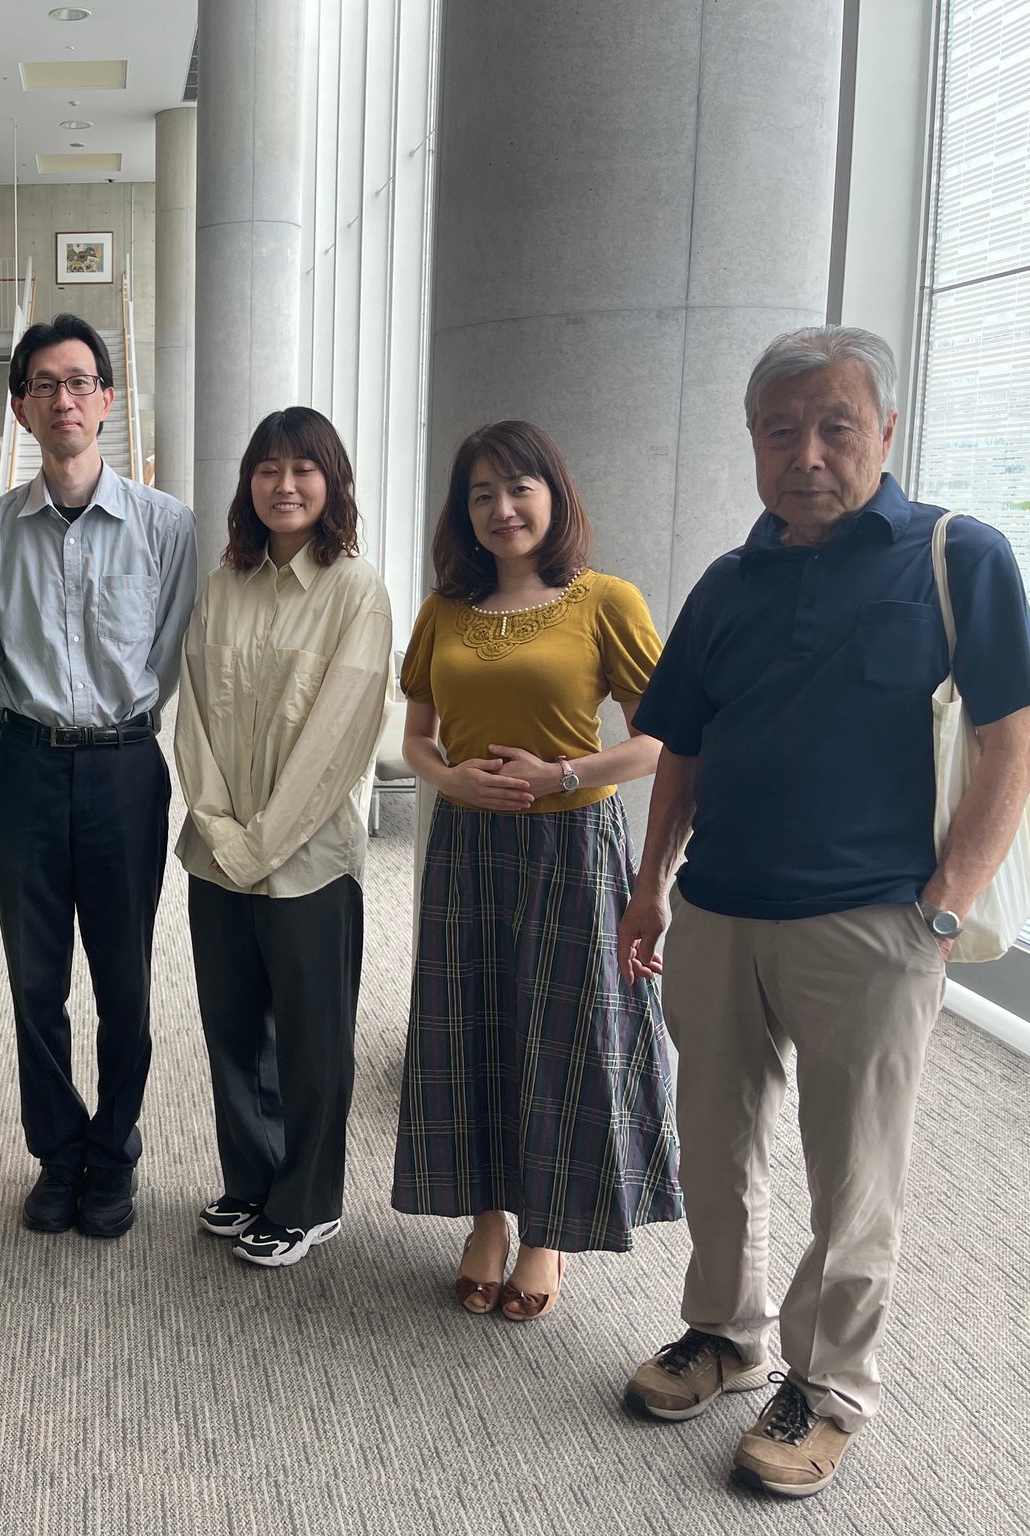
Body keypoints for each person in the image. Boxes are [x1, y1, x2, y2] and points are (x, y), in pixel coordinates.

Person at [617, 326, 1030, 1497]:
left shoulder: (957, 557)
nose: (804, 453)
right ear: (751, 443)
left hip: (870, 925)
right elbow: (682, 745)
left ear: (885, 432)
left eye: (833, 426)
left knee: (852, 1176)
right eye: (778, 431)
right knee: (714, 1146)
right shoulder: (726, 581)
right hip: (717, 911)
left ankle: (826, 1387)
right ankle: (723, 1333)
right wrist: (650, 883)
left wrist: (941, 909)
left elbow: (1012, 747)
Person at [390, 419, 681, 1321]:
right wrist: (450, 779)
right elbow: (417, 739)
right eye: (481, 494)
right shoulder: (443, 610)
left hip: (571, 845)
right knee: (471, 1025)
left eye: (519, 488)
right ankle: (485, 1219)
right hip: (467, 847)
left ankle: (547, 1232)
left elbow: (662, 740)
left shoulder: (606, 601)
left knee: (563, 1035)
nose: (502, 508)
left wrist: (563, 773)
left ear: (554, 495)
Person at [0, 314, 198, 1239]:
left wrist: (117, 730)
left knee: (124, 979)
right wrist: (39, 733)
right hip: (24, 767)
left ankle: (115, 1150)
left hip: (126, 770)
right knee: (34, 981)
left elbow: (171, 650)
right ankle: (58, 1154)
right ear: (22, 408)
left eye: (79, 382)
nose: (63, 399)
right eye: (43, 385)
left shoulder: (165, 525)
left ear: (107, 400)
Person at [174, 407, 392, 1268]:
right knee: (231, 1029)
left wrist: (256, 844)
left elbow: (338, 741)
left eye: (304, 469)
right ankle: (253, 1180)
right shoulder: (223, 584)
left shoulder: (355, 590)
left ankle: (308, 1202)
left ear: (332, 481)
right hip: (216, 854)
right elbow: (193, 718)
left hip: (309, 859)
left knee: (312, 1037)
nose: (285, 485)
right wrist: (219, 830)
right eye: (267, 469)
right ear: (248, 484)